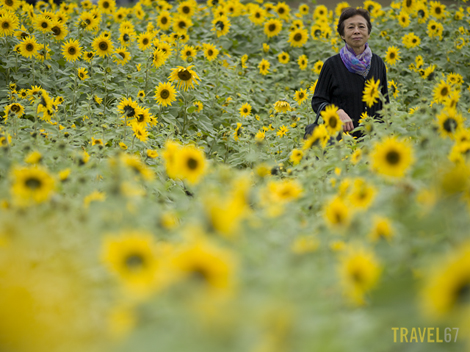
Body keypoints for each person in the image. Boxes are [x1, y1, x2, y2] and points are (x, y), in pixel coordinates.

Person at [311, 7, 389, 139]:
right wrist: (337, 111)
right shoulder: (332, 65)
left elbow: (384, 102)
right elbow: (318, 102)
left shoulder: (378, 63)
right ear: (342, 34)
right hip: (341, 144)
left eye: (361, 27)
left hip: (373, 141)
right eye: (351, 27)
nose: (356, 31)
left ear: (368, 33)